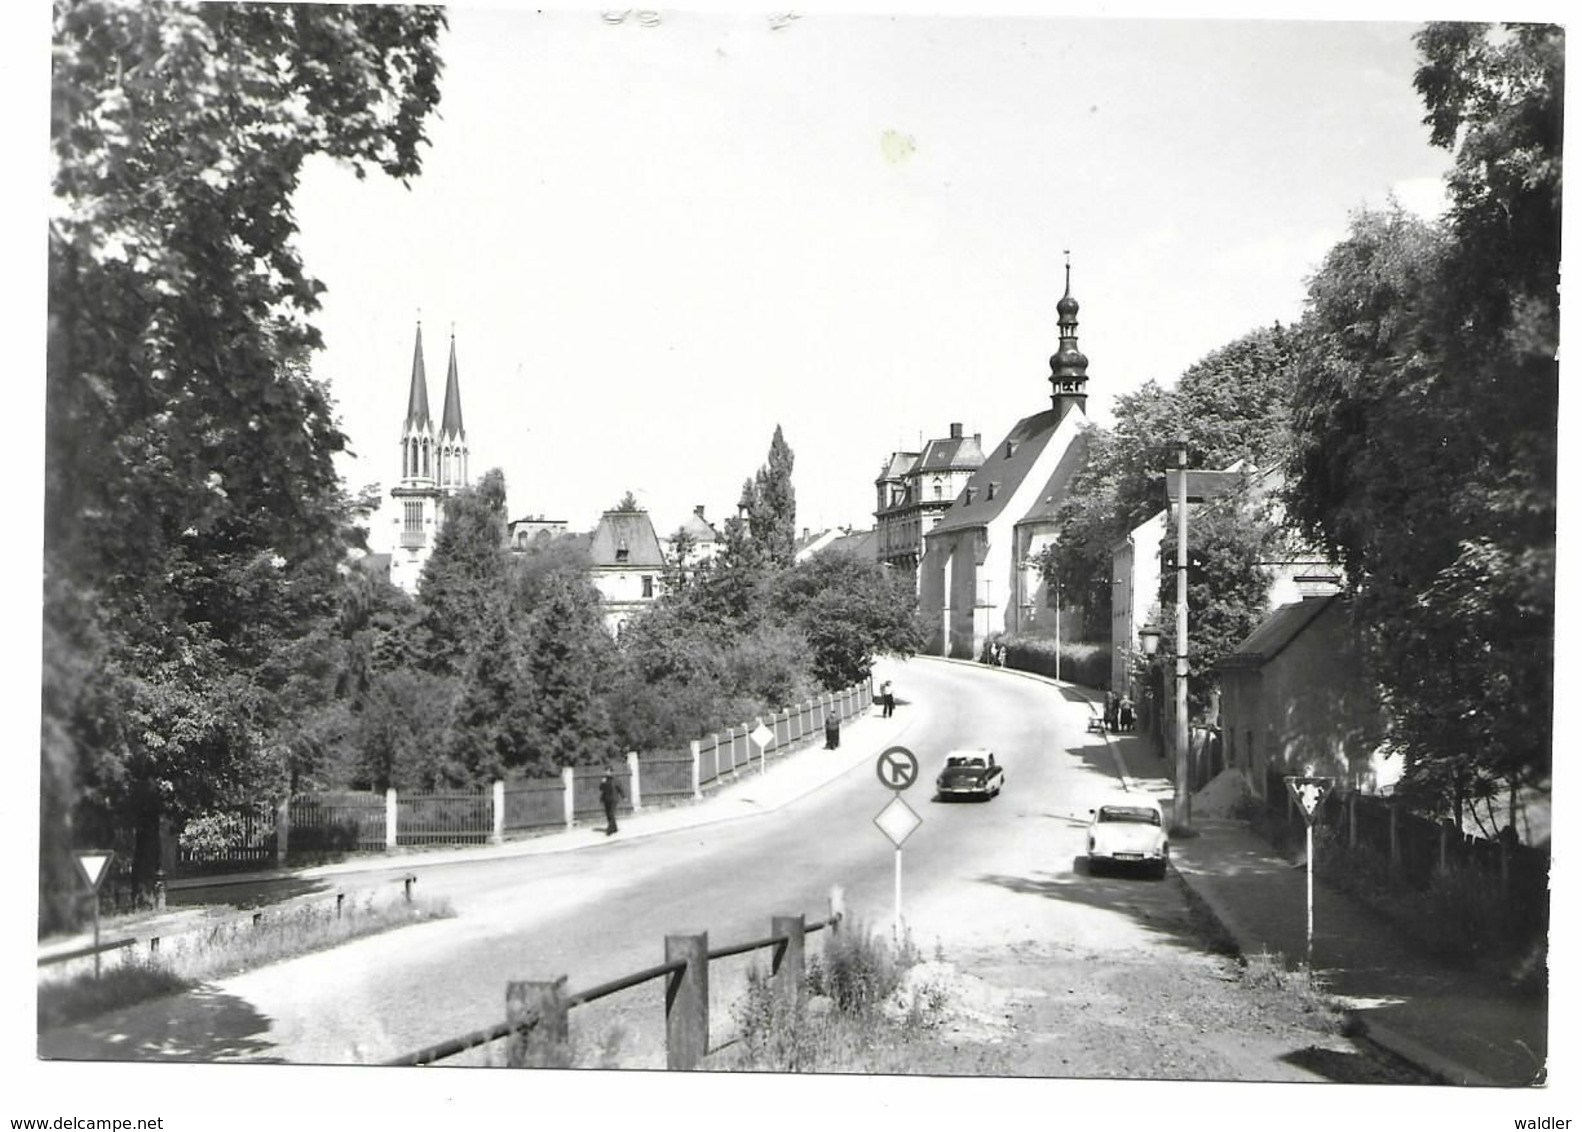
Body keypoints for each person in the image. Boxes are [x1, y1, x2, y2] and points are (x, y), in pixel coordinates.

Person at [599, 768, 624, 835]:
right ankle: (614, 828)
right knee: (608, 814)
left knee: (611, 813)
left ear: (612, 772)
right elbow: (601, 788)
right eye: (606, 771)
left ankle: (609, 830)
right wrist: (602, 783)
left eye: (608, 771)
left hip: (613, 799)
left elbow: (620, 788)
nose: (607, 773)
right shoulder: (604, 779)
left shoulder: (615, 779)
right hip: (606, 799)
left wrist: (623, 796)